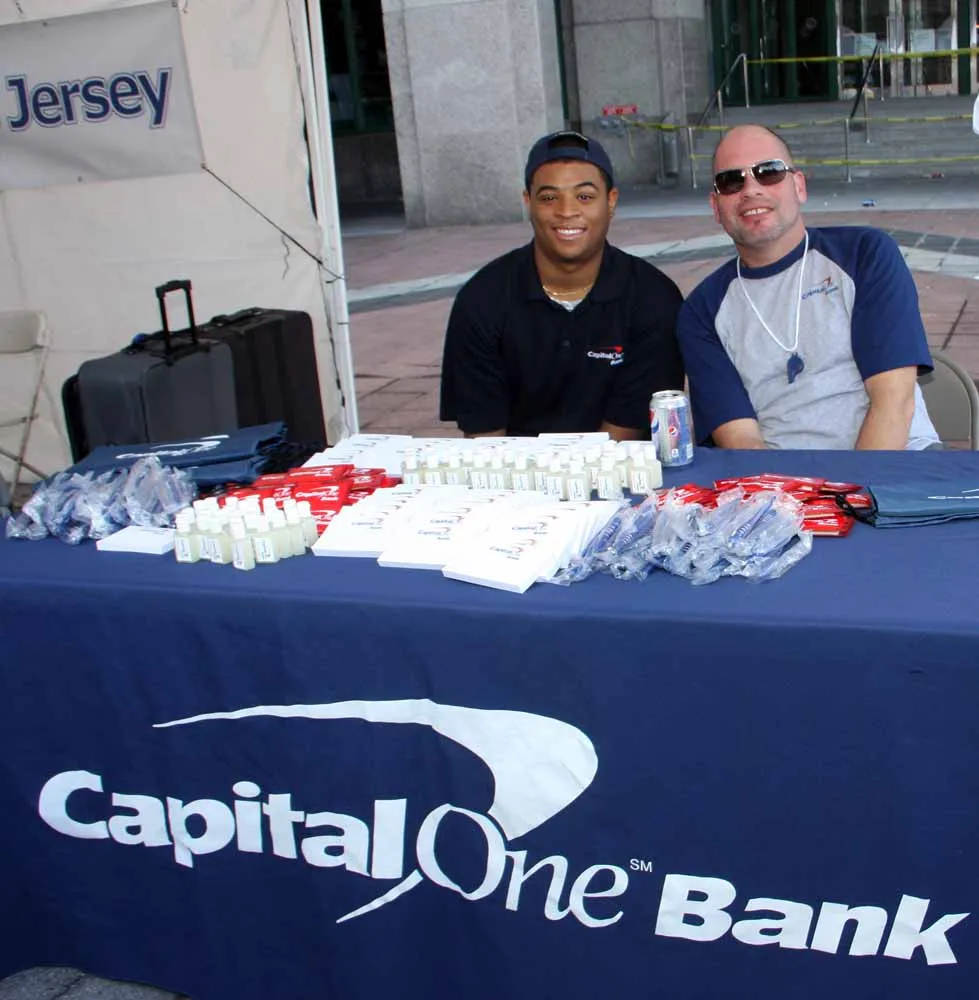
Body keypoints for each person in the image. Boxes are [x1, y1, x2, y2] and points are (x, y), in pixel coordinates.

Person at [678, 124, 940, 450]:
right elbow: (742, 443)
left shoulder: (865, 255)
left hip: (895, 463)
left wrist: (855, 485)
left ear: (799, 186)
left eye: (769, 172)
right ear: (716, 206)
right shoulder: (701, 311)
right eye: (731, 181)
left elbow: (893, 405)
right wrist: (793, 485)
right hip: (781, 477)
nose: (750, 190)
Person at [439, 130, 684, 440]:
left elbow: (623, 435)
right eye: (549, 198)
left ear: (611, 201)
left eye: (584, 197)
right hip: (513, 467)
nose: (566, 212)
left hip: (620, 464)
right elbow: (485, 440)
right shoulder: (481, 300)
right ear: (528, 202)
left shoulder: (654, 298)